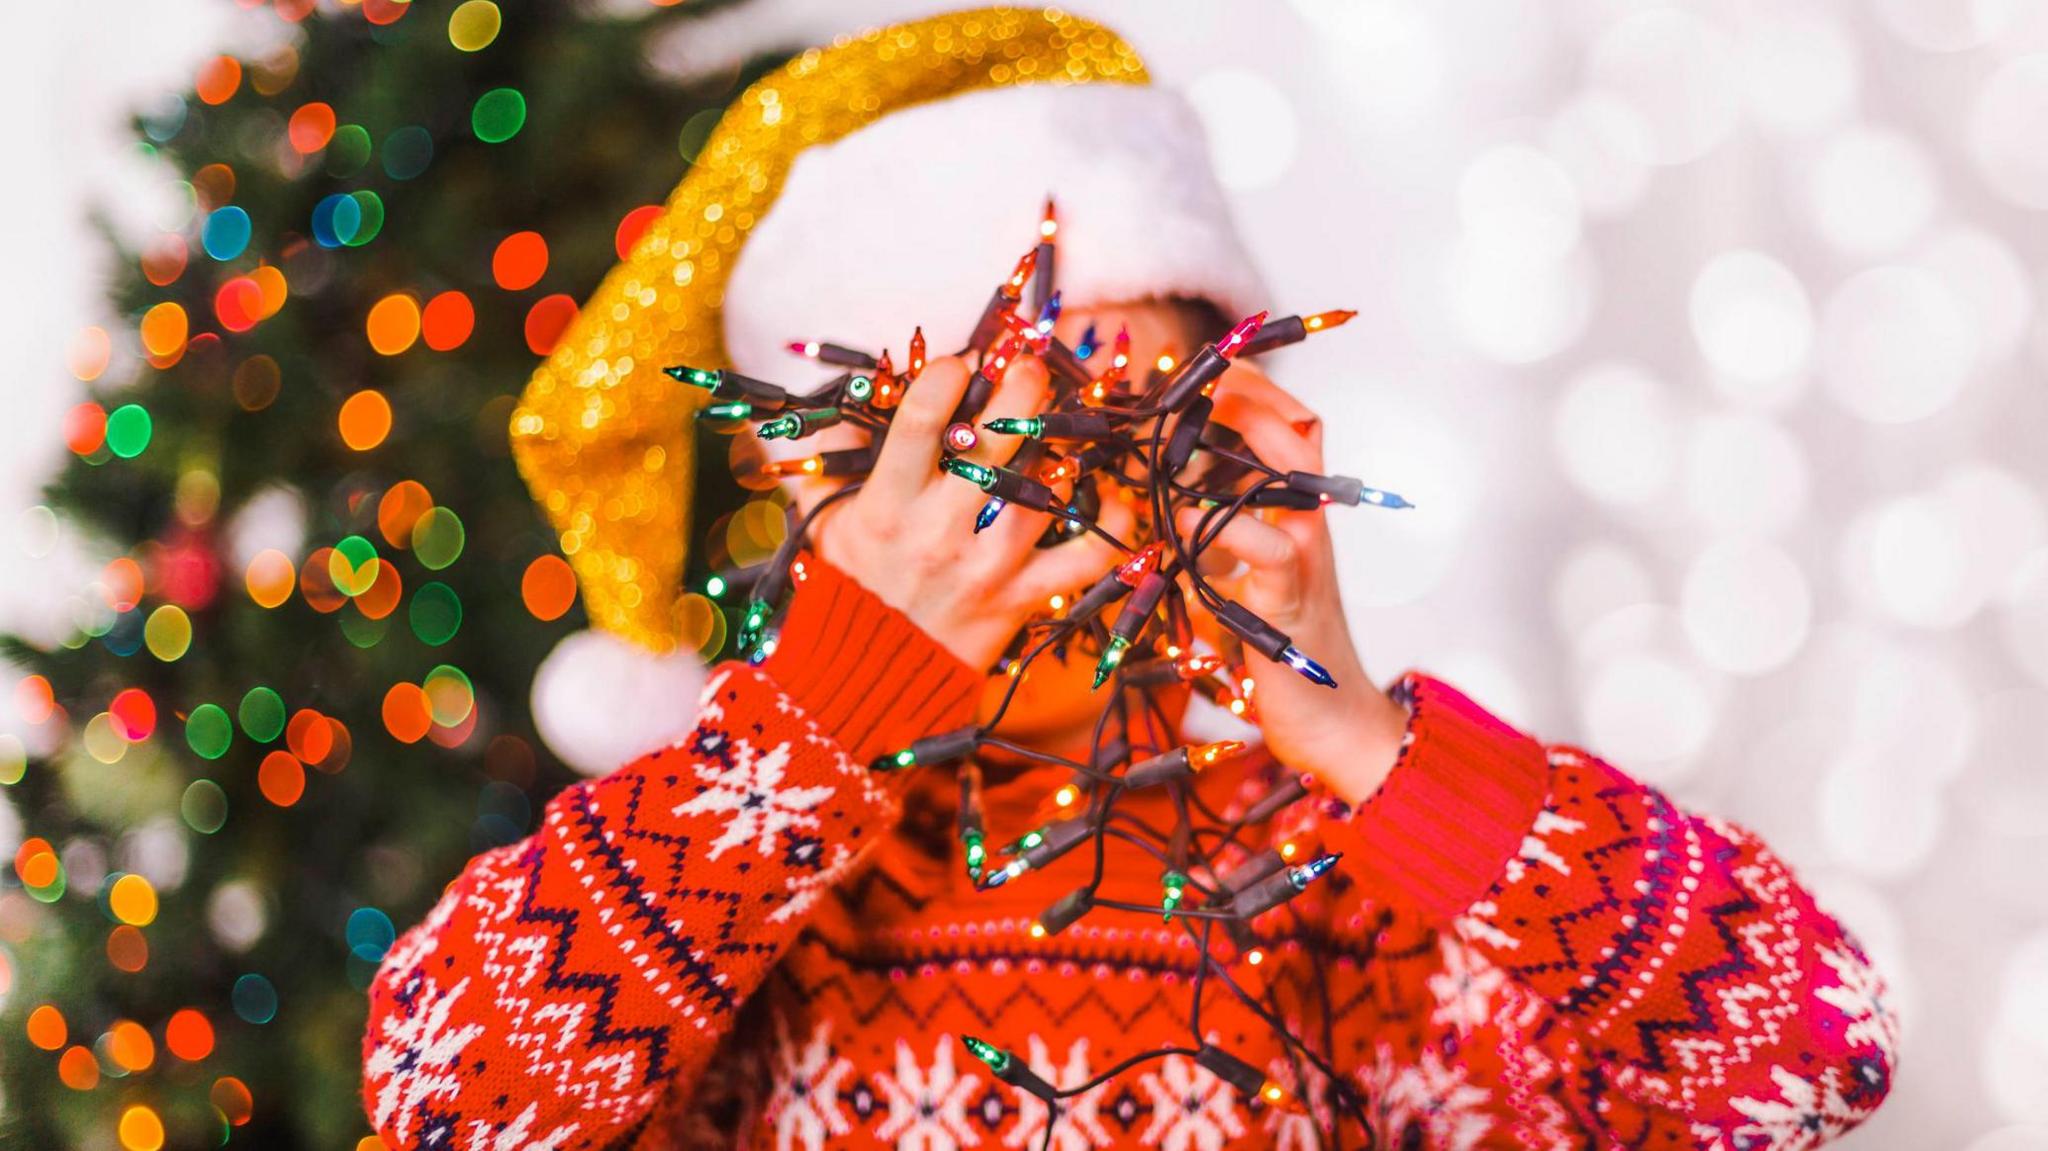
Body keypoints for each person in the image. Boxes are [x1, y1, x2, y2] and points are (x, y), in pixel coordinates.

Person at [362, 9, 1896, 1150]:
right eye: (960, 451)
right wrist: (813, 727)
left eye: (1129, 426)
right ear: (815, 502)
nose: (1053, 518)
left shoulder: (1340, 889)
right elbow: (448, 1096)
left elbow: (1810, 1057)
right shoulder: (731, 895)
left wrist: (1360, 735)